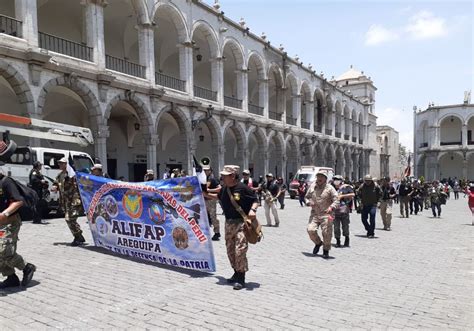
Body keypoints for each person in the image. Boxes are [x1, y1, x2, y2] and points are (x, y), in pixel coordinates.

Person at [204, 165, 258, 290]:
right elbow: (217, 197)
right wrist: (204, 194)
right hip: (229, 224)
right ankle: (235, 272)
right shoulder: (224, 189)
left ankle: (241, 277)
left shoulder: (243, 188)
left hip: (241, 224)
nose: (222, 177)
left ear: (233, 176)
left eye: (225, 175)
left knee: (240, 250)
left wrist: (253, 210)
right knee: (230, 251)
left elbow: (255, 200)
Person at [0, 161, 36, 288]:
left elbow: (18, 201)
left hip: (10, 222)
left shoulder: (6, 182)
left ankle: (27, 267)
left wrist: (4, 214)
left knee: (3, 250)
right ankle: (11, 277)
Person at [52, 157, 86, 246]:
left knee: (69, 218)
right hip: (66, 201)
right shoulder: (60, 175)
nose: (60, 165)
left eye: (62, 163)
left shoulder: (72, 175)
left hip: (74, 200)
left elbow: (79, 185)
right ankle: (79, 236)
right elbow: (56, 183)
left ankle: (78, 236)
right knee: (70, 219)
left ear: (66, 164)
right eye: (59, 163)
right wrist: (55, 187)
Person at [305, 171, 338, 258]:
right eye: (318, 176)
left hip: (327, 214)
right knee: (310, 230)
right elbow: (306, 197)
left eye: (321, 177)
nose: (319, 178)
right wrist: (308, 202)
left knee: (327, 232)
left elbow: (336, 199)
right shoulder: (312, 187)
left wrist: (331, 207)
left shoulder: (330, 188)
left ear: (325, 179)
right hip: (315, 213)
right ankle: (318, 243)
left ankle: (326, 249)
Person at [332, 175, 354, 247]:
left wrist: (342, 196)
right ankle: (338, 240)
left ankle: (347, 238)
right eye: (335, 179)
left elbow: (352, 194)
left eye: (338, 179)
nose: (336, 181)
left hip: (344, 210)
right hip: (335, 211)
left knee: (345, 226)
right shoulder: (331, 188)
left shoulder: (346, 187)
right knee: (336, 227)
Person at [203, 166, 222, 241]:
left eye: (207, 170)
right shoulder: (203, 179)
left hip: (211, 200)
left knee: (213, 217)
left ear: (210, 171)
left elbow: (219, 188)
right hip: (203, 200)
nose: (205, 171)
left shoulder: (212, 179)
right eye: (204, 170)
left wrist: (209, 190)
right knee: (203, 217)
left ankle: (217, 232)